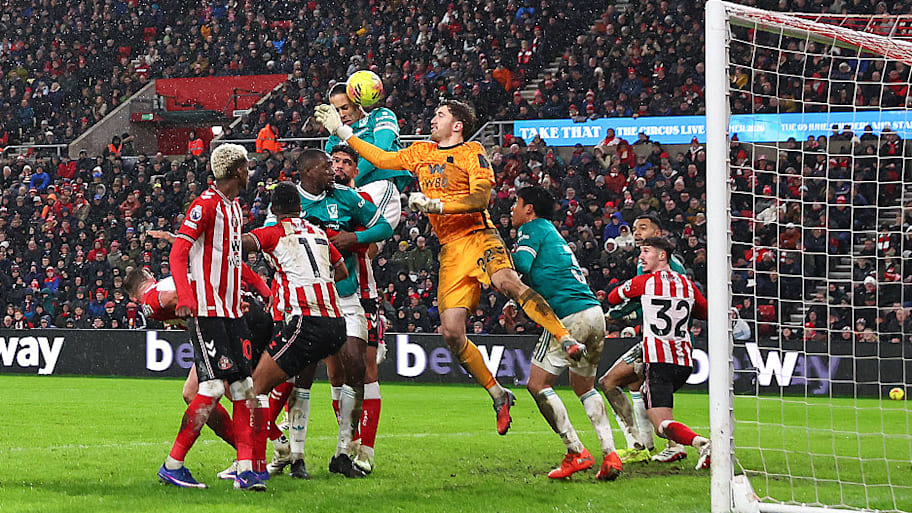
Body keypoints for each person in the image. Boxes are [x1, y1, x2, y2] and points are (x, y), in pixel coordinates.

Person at [314, 99, 584, 436]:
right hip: (451, 251)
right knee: (452, 333)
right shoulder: (422, 151)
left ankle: (566, 338)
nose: (433, 118)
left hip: (479, 236)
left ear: (456, 124)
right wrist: (341, 130)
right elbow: (381, 158)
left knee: (507, 282)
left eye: (440, 115)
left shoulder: (473, 151)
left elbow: (480, 198)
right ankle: (498, 394)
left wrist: (436, 204)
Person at [263, 149, 393, 479]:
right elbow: (268, 245)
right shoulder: (287, 202)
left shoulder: (347, 198)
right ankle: (297, 455)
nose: (333, 170)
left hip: (345, 295)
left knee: (355, 365)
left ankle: (343, 453)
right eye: (326, 166)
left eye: (334, 165)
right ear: (307, 171)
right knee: (301, 376)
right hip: (305, 299)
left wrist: (354, 237)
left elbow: (384, 227)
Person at [158, 143, 268, 491]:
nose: (250, 172)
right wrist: (187, 298)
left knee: (243, 387)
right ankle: (173, 465)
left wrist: (264, 289)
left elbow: (234, 260)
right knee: (209, 387)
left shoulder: (234, 207)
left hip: (233, 311)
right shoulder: (205, 204)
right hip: (207, 311)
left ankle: (246, 470)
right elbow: (178, 253)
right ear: (237, 170)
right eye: (247, 167)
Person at [509, 186, 621, 480]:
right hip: (593, 313)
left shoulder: (531, 228)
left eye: (516, 204)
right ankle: (610, 454)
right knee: (585, 387)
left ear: (529, 209)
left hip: (567, 316)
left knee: (537, 384)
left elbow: (521, 265)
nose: (512, 210)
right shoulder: (550, 231)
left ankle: (576, 451)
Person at [241, 181, 349, 481]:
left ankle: (256, 466)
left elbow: (241, 243)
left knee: (255, 387)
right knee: (300, 387)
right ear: (300, 207)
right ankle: (303, 456)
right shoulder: (319, 232)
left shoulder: (275, 231)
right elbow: (342, 272)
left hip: (306, 321)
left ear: (274, 209)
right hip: (336, 322)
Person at [605, 236, 711, 470]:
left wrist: (631, 293)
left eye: (646, 252)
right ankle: (662, 447)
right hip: (683, 361)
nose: (641, 257)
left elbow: (613, 297)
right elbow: (704, 312)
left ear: (662, 256)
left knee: (662, 425)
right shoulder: (688, 284)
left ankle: (701, 443)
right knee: (641, 391)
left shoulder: (644, 282)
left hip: (658, 360)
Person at [599, 213, 689, 464]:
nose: (637, 232)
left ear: (658, 234)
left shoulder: (659, 266)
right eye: (636, 228)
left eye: (644, 228)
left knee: (609, 381)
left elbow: (637, 300)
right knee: (635, 384)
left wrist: (611, 314)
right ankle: (647, 445)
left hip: (662, 342)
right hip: (667, 339)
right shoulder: (663, 264)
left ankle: (647, 444)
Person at [328, 144, 389, 474]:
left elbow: (374, 246)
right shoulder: (323, 201)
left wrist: (352, 238)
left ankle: (366, 449)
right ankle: (346, 442)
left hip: (362, 295)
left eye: (346, 162)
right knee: (336, 373)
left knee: (366, 372)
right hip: (327, 296)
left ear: (356, 170)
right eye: (334, 160)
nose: (338, 166)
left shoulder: (361, 202)